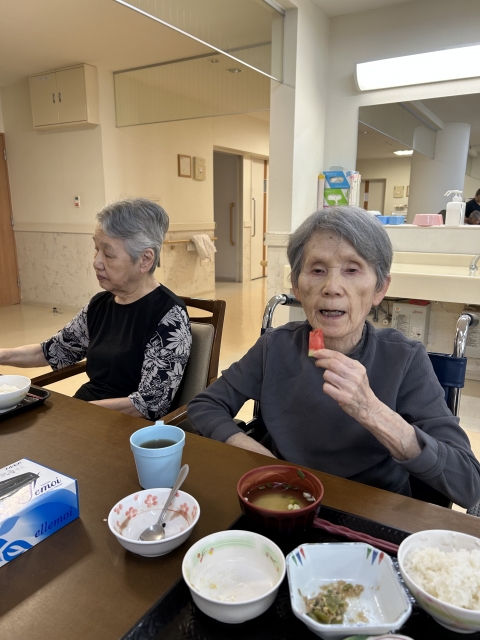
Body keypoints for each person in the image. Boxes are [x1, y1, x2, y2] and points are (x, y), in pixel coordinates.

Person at [188, 206, 480, 509]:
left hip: (371, 512)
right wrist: (258, 457)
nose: (332, 288)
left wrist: (372, 411)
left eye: (352, 270)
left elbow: (469, 484)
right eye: (317, 270)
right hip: (284, 499)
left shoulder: (404, 359)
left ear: (380, 288)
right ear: (296, 285)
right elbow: (205, 406)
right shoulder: (275, 346)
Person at [0, 198, 192, 420]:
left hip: (126, 426)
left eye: (108, 254)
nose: (96, 262)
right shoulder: (100, 304)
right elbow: (53, 350)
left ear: (145, 259)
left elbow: (148, 405)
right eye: (96, 249)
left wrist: (73, 412)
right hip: (87, 412)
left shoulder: (169, 316)